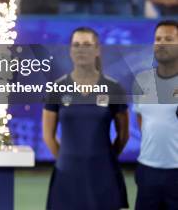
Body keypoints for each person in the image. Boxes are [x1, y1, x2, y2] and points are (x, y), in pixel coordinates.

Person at [43, 27, 129, 210]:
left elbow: (123, 136)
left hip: (104, 175)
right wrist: (67, 159)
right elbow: (48, 136)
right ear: (70, 50)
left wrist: (104, 159)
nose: (81, 50)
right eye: (76, 45)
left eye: (87, 45)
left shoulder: (114, 88)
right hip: (66, 175)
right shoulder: (57, 88)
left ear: (97, 50)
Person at [132, 20, 178, 209]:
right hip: (147, 170)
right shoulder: (142, 80)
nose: (162, 43)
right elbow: (142, 119)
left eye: (169, 39)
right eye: (158, 38)